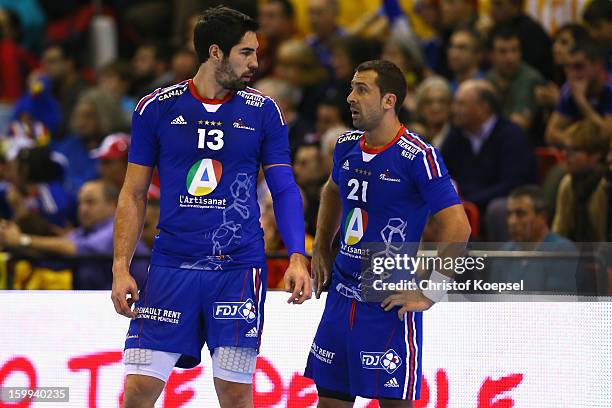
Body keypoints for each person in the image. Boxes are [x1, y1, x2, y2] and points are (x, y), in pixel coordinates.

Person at [111, 7, 311, 408]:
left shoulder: (264, 111)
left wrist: (297, 256)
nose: (255, 62)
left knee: (236, 394)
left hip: (237, 269)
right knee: (137, 392)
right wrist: (120, 267)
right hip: (171, 267)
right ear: (215, 52)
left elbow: (284, 188)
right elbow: (133, 192)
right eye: (246, 53)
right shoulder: (156, 107)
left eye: (255, 53)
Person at [305, 60, 470, 406]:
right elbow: (331, 191)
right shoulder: (345, 145)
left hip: (386, 292)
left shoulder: (418, 156)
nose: (350, 97)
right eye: (351, 87)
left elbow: (459, 225)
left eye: (362, 89)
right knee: (330, 401)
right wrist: (321, 247)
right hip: (340, 294)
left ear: (389, 101)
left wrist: (430, 293)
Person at [0, 180, 148, 289]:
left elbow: (73, 248)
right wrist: (11, 239)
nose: (83, 209)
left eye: (90, 202)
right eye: (80, 203)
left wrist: (22, 240)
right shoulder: (83, 232)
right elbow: (53, 252)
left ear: (113, 204)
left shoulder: (117, 230)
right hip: (94, 306)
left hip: (132, 306)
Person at [487, 185, 577, 293]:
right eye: (509, 214)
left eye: (520, 214)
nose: (512, 221)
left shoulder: (563, 252)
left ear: (542, 217)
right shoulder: (503, 253)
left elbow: (559, 305)